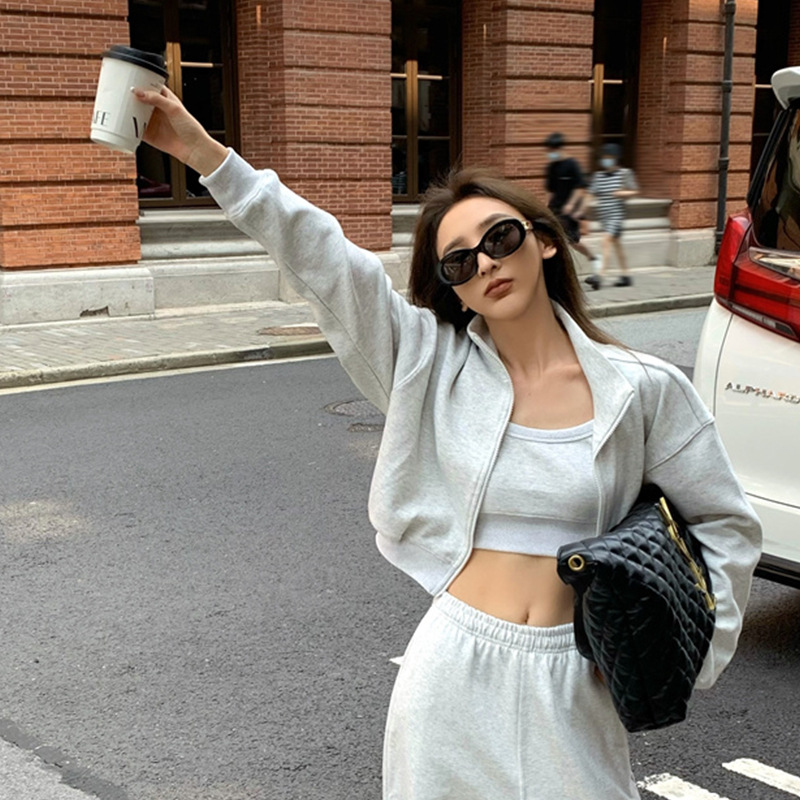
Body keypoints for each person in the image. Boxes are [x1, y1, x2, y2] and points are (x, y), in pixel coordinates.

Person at [132, 85, 761, 800]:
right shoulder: (427, 363)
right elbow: (328, 261)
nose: (484, 264)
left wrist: (695, 654)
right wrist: (207, 157)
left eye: (500, 238)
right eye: (458, 262)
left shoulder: (642, 388)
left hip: (577, 675)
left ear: (544, 240)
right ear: (453, 289)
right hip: (453, 665)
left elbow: (725, 523)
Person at [585, 142, 639, 290]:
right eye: (604, 157)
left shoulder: (624, 174)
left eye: (609, 157)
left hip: (617, 215)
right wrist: (582, 209)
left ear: (616, 158)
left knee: (606, 241)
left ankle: (600, 276)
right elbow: (590, 194)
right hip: (604, 216)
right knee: (616, 245)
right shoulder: (598, 176)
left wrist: (623, 193)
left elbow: (634, 191)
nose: (606, 160)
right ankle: (626, 275)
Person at [544, 132, 600, 269]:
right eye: (549, 150)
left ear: (560, 148)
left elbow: (580, 187)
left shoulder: (572, 164)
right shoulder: (551, 167)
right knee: (552, 237)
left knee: (573, 241)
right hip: (555, 208)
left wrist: (571, 204)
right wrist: (547, 207)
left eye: (553, 150)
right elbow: (550, 190)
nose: (550, 153)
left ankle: (593, 257)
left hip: (571, 211)